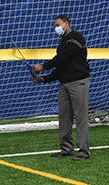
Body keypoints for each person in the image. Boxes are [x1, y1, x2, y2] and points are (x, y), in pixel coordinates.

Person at [32, 14, 90, 161]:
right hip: (64, 84)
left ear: (66, 24)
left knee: (81, 117)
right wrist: (43, 79)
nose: (56, 28)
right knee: (64, 117)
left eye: (58, 25)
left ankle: (83, 151)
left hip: (79, 83)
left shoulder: (76, 38)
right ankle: (66, 149)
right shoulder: (62, 44)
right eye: (55, 26)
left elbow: (63, 57)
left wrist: (43, 66)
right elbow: (60, 69)